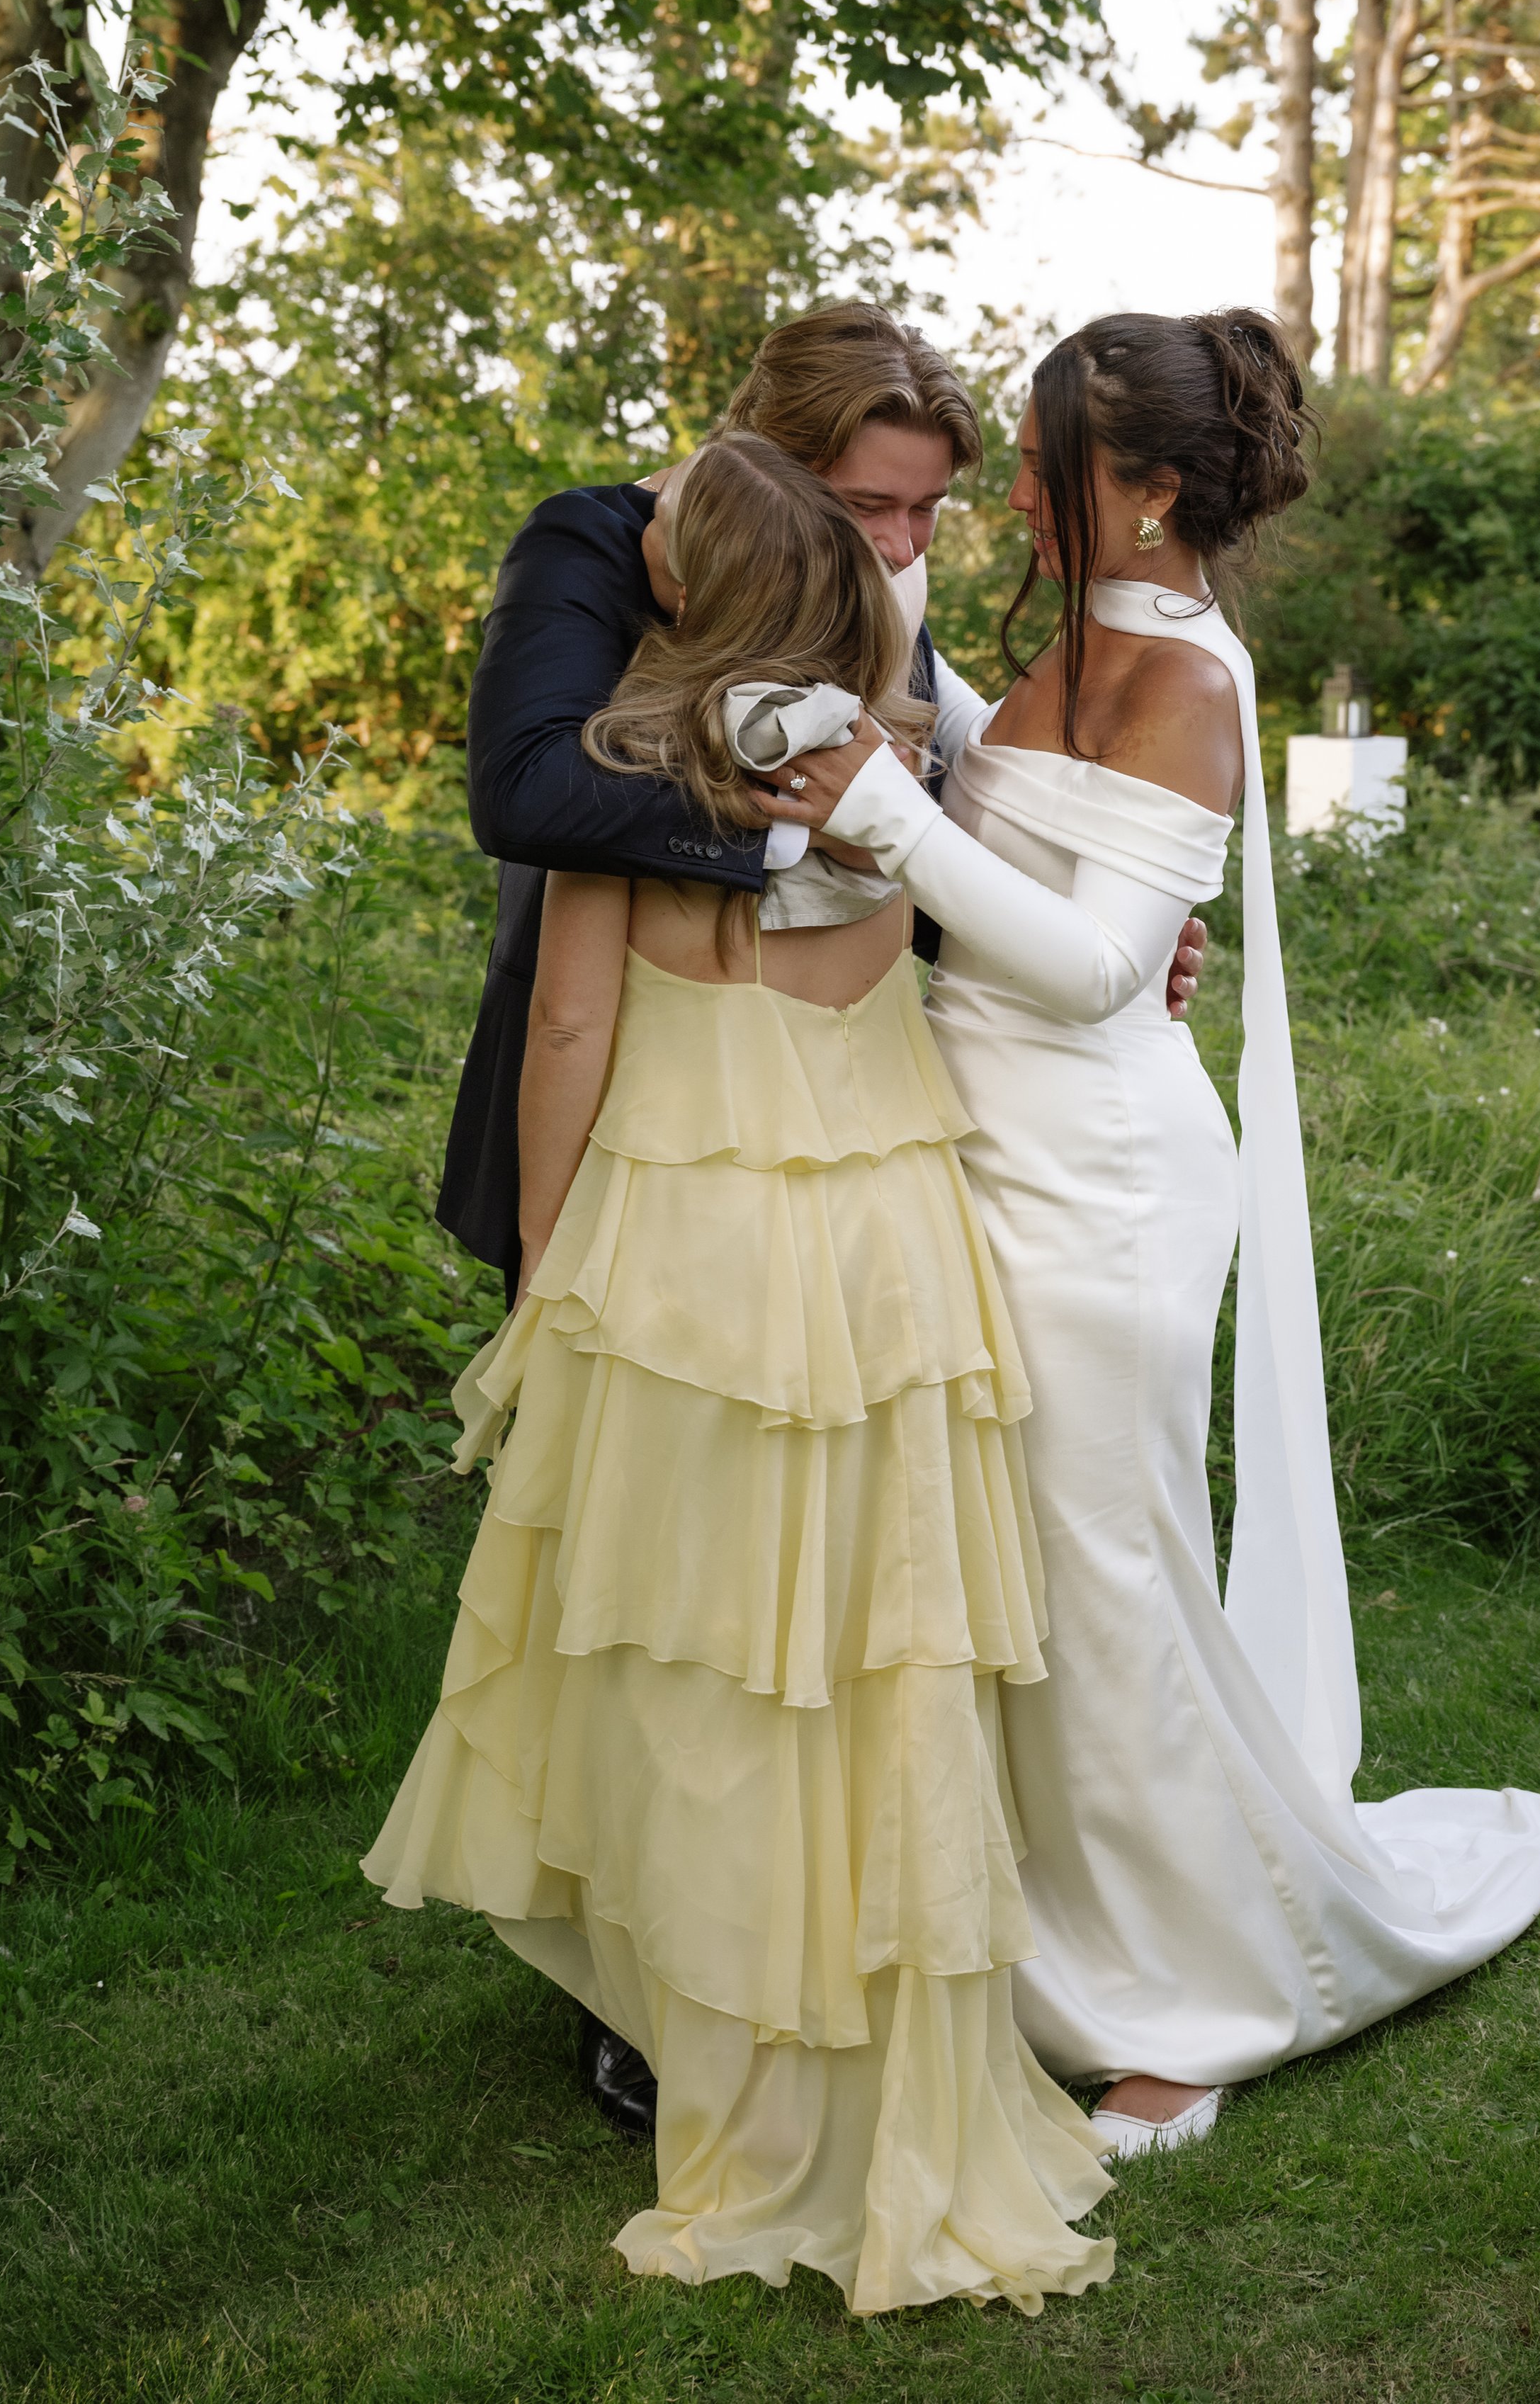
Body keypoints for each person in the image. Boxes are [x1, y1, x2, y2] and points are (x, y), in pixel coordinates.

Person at [766, 310, 1540, 2159]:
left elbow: (1103, 966)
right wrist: (916, 806)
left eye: (1047, 459)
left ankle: (1196, 2003)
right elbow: (1027, 861)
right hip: (988, 1145)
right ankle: (1068, 1938)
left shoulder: (1189, 679)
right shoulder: (1079, 638)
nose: (1014, 494)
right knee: (1027, 1584)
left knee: (1107, 1579)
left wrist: (886, 816)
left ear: (1136, 484)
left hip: (1105, 1173)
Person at [363, 434, 1115, 2315]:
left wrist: (546, 1265)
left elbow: (572, 1017)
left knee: (696, 1663)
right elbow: (945, 958)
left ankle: (714, 2060)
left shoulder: (629, 763)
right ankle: (883, 2055)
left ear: (702, 587)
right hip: (881, 1240)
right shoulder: (886, 766)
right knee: (875, 1653)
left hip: (688, 1245)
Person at [438, 303, 1206, 1313]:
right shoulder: (590, 542)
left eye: (928, 505)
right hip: (605, 1083)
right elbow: (525, 793)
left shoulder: (890, 579)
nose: (899, 545)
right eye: (870, 504)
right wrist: (800, 814)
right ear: (765, 463)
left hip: (827, 1109)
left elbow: (917, 802)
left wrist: (1086, 918)